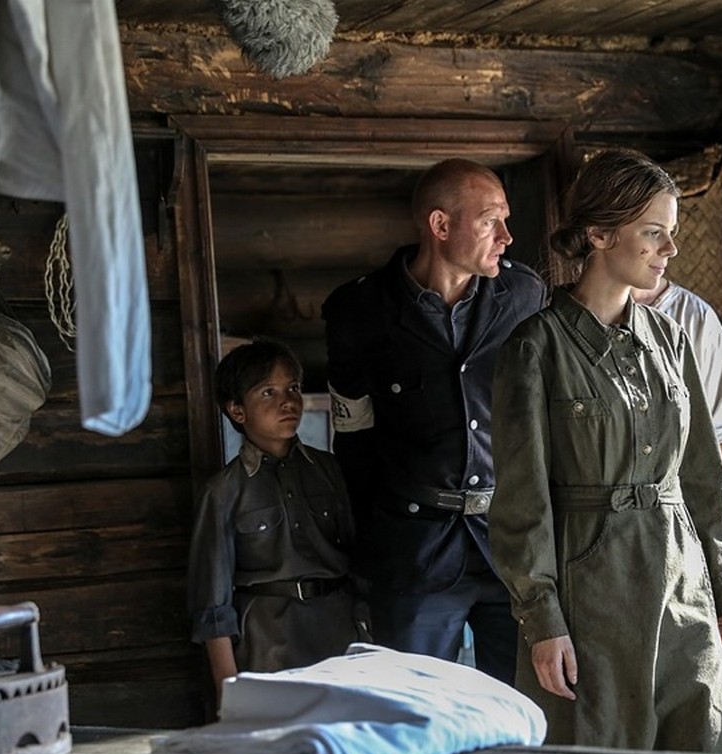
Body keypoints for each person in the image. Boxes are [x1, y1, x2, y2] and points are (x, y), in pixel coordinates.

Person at [488, 148, 722, 752]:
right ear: (600, 235)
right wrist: (543, 620)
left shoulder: (672, 340)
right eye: (654, 233)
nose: (670, 249)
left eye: (672, 233)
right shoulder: (536, 348)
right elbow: (522, 504)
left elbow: (702, 477)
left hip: (683, 588)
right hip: (591, 594)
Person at [321, 159, 547, 686]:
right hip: (413, 553)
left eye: (506, 220)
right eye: (490, 221)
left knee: (520, 710)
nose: (507, 237)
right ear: (440, 225)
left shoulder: (525, 296)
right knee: (418, 707)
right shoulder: (359, 310)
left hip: (512, 550)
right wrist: (374, 546)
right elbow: (353, 437)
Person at [187, 338, 362, 705]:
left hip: (339, 635)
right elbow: (213, 606)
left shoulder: (330, 470)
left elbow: (360, 562)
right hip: (266, 644)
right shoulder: (223, 492)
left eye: (293, 388)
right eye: (268, 392)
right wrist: (229, 692)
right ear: (237, 411)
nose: (288, 402)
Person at [631, 278, 722, 598]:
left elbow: (719, 444)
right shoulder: (577, 317)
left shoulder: (695, 319)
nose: (669, 252)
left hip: (684, 525)